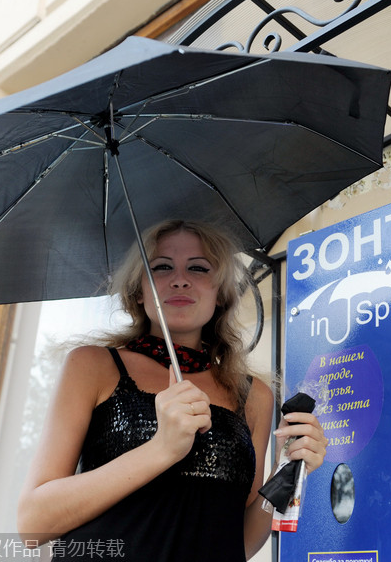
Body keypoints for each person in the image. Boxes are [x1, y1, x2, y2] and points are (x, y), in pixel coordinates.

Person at [17, 220, 327, 561]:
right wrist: (161, 449)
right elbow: (33, 523)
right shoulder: (93, 366)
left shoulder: (253, 396)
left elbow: (239, 542)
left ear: (221, 293)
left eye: (198, 268)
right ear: (139, 290)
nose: (180, 279)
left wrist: (287, 472)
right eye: (161, 268)